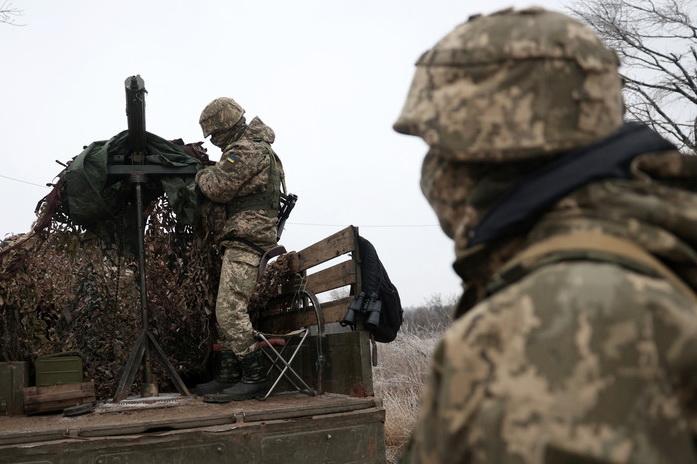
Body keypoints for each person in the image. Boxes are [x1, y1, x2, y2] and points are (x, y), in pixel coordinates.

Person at [393, 7, 697, 464]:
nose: (431, 173)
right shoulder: (655, 249)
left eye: (438, 148)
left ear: (486, 151)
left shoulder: (558, 321)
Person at [193, 97, 285, 401]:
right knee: (225, 311)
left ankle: (255, 374)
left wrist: (200, 174)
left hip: (248, 238)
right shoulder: (251, 147)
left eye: (215, 134)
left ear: (225, 126)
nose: (214, 141)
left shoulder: (246, 149)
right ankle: (229, 375)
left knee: (229, 309)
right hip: (243, 237)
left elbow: (217, 187)